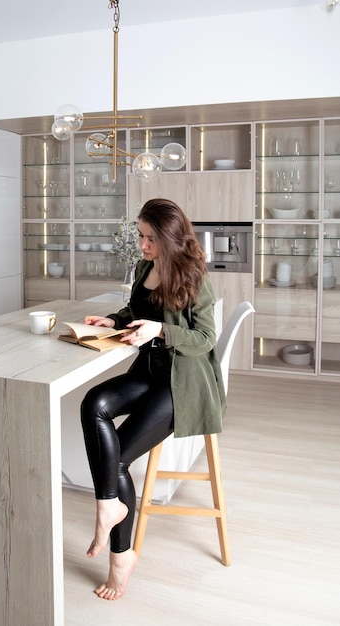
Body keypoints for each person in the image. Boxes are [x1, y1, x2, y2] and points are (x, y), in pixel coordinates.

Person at [80, 198, 226, 601]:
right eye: (140, 236)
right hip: (148, 372)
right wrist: (115, 320)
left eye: (149, 238)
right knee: (94, 403)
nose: (142, 245)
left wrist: (160, 331)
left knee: (119, 460)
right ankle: (109, 505)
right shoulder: (146, 268)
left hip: (181, 383)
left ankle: (120, 558)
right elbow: (137, 308)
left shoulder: (194, 279)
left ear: (168, 238)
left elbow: (205, 339)